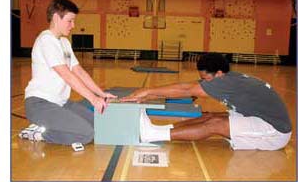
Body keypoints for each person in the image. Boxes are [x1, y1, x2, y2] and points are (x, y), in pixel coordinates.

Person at [121, 53, 292, 150]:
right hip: (256, 118)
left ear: (218, 73)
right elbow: (187, 90)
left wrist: (147, 91)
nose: (204, 82)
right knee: (208, 116)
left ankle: (152, 135)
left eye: (205, 78)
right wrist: (148, 97)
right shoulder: (229, 78)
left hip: (274, 132)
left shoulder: (226, 82)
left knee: (215, 125)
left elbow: (187, 89)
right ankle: (158, 129)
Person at [20, 0, 116, 145]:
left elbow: (79, 71)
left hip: (61, 103)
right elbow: (66, 74)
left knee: (100, 126)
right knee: (86, 134)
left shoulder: (64, 42)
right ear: (56, 18)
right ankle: (39, 133)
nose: (73, 25)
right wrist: (93, 99)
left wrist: (101, 94)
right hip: (40, 104)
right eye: (70, 21)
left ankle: (47, 128)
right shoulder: (46, 40)